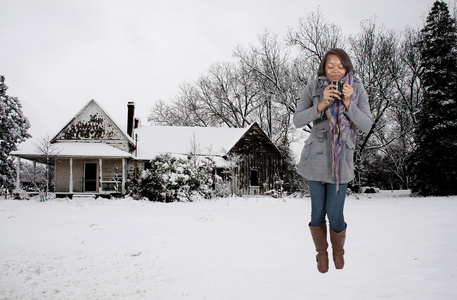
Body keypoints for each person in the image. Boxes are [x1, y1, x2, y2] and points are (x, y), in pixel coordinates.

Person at [293, 49, 373, 273]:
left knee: (335, 214)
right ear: (324, 68)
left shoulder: (357, 88)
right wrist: (321, 105)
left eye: (340, 65)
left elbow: (366, 124)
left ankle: (338, 251)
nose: (335, 70)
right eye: (330, 66)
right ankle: (321, 254)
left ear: (347, 67)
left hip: (342, 159)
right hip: (316, 156)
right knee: (317, 213)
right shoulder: (313, 86)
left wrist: (348, 103)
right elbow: (297, 120)